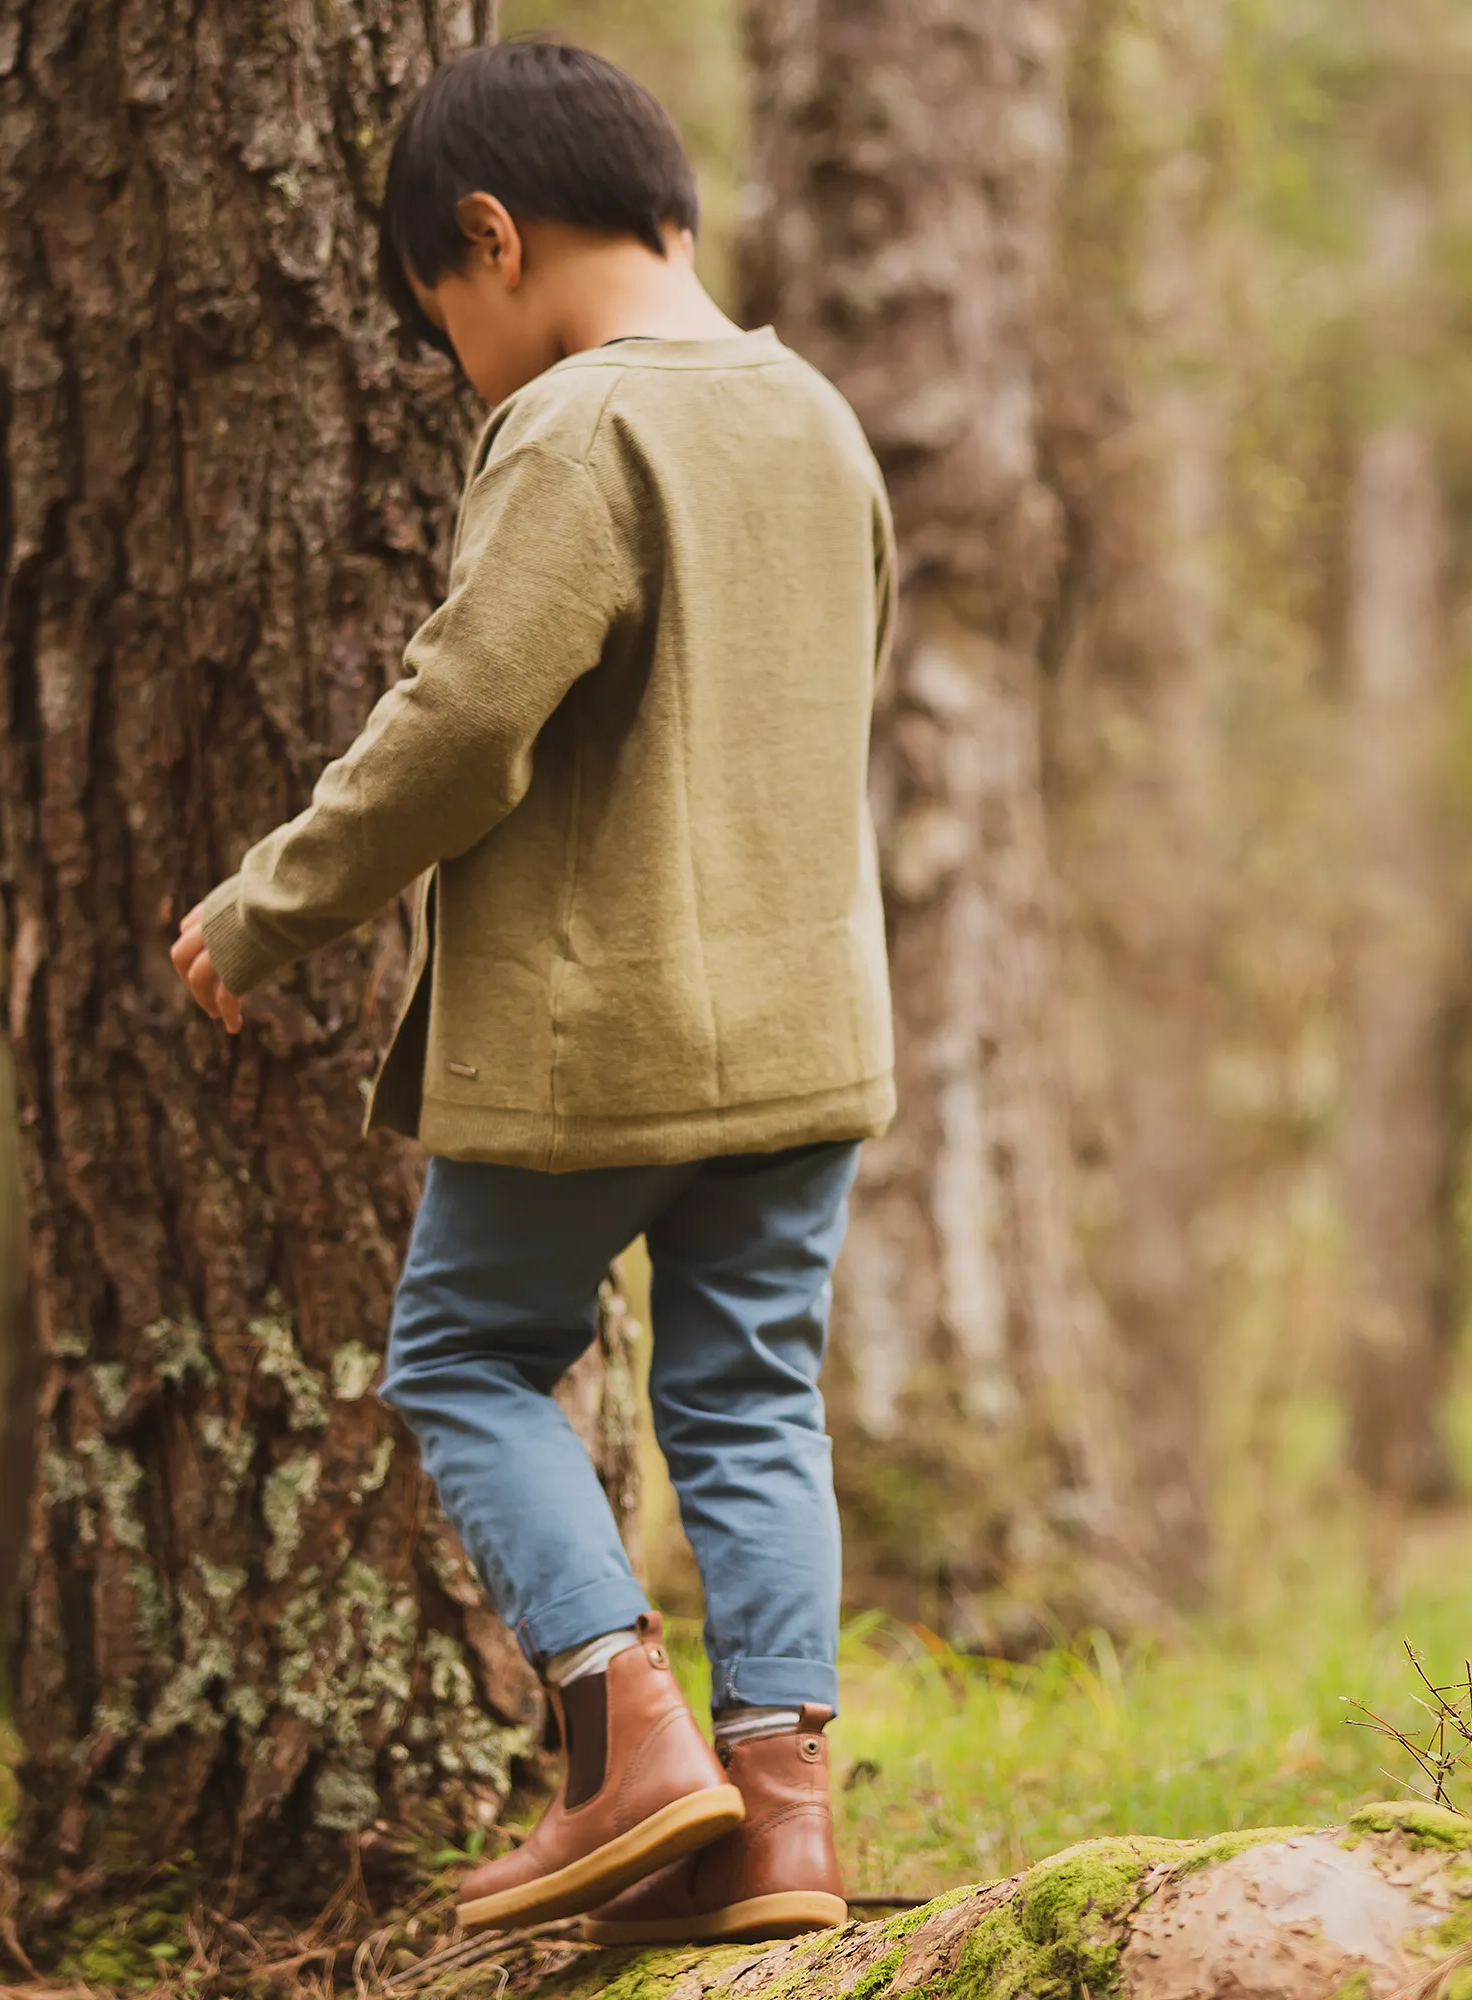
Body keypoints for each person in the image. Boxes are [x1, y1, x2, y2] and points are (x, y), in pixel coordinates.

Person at [170, 39, 895, 1944]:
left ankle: (623, 1737)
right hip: (811, 1033)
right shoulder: (817, 417)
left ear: (490, 237)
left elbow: (465, 720)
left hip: (604, 1038)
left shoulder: (581, 429)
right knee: (750, 1401)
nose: (454, 362)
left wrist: (269, 905)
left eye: (441, 316)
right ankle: (786, 1829)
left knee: (464, 1359)